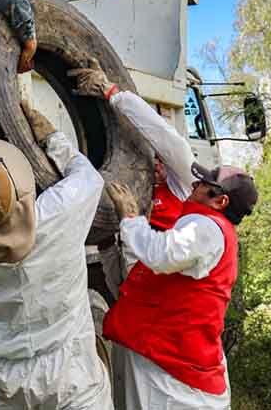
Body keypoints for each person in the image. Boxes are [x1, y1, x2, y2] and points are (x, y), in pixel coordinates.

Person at [0, 102, 113, 409]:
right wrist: (52, 137)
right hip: (72, 379)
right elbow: (89, 178)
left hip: (8, 385)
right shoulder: (56, 215)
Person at [103, 163, 258, 410]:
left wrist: (131, 219)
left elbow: (160, 254)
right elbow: (151, 277)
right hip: (167, 366)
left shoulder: (207, 228)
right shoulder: (209, 230)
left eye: (204, 184)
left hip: (172, 378)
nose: (194, 184)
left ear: (220, 201)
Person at [68, 61, 195, 296]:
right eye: (153, 159)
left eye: (159, 160)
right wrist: (111, 92)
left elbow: (122, 280)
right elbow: (165, 136)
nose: (156, 166)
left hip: (143, 285)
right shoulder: (180, 190)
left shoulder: (184, 189)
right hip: (145, 285)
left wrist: (108, 242)